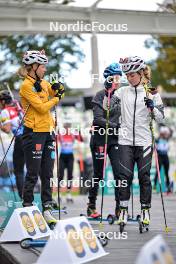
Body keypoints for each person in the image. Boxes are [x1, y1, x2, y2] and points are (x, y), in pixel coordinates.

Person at [115, 56, 164, 227]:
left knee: (144, 177)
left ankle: (145, 209)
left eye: (132, 75)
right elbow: (107, 106)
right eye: (126, 75)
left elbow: (161, 118)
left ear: (141, 73)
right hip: (125, 141)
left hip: (144, 141)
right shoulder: (122, 91)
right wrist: (107, 90)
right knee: (124, 176)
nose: (129, 78)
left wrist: (152, 107)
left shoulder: (152, 92)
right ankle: (123, 210)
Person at [18, 50, 65, 225]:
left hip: (48, 133)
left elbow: (57, 92)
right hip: (33, 133)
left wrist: (59, 88)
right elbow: (42, 108)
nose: (45, 69)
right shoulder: (25, 86)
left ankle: (47, 209)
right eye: (43, 66)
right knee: (32, 174)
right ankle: (27, 208)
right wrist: (57, 98)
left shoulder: (44, 83)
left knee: (47, 174)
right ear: (34, 67)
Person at [87, 63, 122, 218]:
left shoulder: (120, 96)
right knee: (99, 174)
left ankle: (120, 207)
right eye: (116, 77)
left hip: (114, 140)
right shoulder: (100, 95)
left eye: (119, 77)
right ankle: (91, 205)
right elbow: (98, 119)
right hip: (100, 139)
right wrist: (116, 125)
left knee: (119, 174)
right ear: (108, 79)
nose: (118, 80)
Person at [0, 90, 25, 199]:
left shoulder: (5, 111)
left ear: (3, 101)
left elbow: (7, 128)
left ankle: (24, 198)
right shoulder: (19, 108)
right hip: (32, 138)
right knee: (34, 169)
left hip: (20, 139)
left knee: (18, 170)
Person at [58, 122, 83, 202]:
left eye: (68, 128)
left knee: (70, 175)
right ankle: (60, 194)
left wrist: (79, 132)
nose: (67, 129)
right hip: (62, 156)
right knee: (61, 175)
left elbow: (81, 140)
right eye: (65, 128)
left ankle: (68, 194)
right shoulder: (61, 135)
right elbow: (53, 139)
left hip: (70, 157)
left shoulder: (72, 135)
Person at [154, 126, 172, 193]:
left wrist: (167, 130)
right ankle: (155, 186)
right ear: (161, 133)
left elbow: (171, 132)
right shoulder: (157, 140)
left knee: (166, 172)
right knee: (157, 171)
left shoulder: (167, 139)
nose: (165, 134)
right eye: (163, 133)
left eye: (165, 133)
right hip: (160, 156)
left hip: (165, 156)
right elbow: (154, 147)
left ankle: (168, 187)